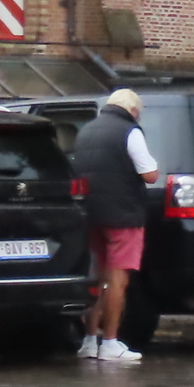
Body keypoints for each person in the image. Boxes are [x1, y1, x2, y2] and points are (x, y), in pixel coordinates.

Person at [69, 87, 162, 364]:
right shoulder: (129, 131)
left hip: (91, 214)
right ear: (133, 111)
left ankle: (88, 341)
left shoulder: (86, 131)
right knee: (117, 280)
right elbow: (150, 174)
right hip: (123, 216)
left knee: (96, 278)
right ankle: (110, 342)